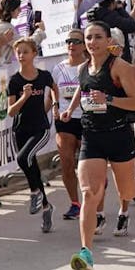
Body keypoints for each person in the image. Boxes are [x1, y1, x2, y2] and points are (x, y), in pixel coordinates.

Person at [61, 21, 135, 270]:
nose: (92, 42)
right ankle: (86, 252)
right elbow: (82, 88)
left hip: (118, 135)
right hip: (92, 136)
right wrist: (70, 109)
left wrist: (109, 98)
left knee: (126, 191)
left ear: (108, 40)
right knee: (90, 193)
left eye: (98, 37)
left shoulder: (121, 67)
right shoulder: (83, 67)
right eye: (88, 38)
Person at [7, 37, 56, 233]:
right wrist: (24, 97)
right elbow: (11, 111)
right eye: (18, 52)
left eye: (25, 52)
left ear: (34, 53)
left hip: (40, 129)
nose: (21, 55)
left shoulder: (43, 76)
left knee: (22, 158)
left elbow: (54, 90)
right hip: (21, 130)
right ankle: (46, 207)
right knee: (31, 168)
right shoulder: (15, 81)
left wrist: (51, 106)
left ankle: (35, 192)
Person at [50, 28, 90, 221]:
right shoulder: (59, 68)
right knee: (66, 161)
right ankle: (75, 203)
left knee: (87, 164)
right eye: (69, 41)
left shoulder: (89, 66)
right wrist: (53, 106)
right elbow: (53, 91)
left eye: (76, 41)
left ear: (84, 45)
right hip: (65, 119)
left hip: (87, 117)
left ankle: (92, 198)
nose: (71, 45)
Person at [0, 0, 46, 64]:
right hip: (1, 66)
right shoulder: (5, 27)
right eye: (18, 8)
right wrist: (40, 31)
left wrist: (34, 32)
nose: (20, 10)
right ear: (11, 10)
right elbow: (26, 45)